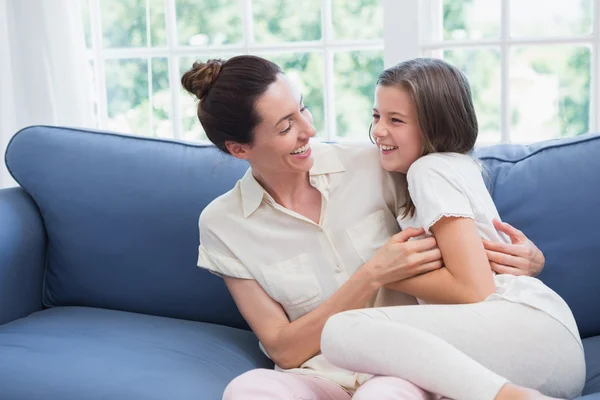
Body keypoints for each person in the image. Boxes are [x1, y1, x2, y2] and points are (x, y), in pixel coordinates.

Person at [181, 55, 549, 400]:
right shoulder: (223, 224)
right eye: (286, 126)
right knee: (248, 390)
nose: (309, 129)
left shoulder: (376, 165)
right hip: (316, 375)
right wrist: (371, 276)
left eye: (303, 108)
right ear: (239, 148)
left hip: (403, 371)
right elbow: (283, 348)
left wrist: (524, 262)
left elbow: (460, 225)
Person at [319, 58, 586, 400]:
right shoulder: (450, 168)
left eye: (395, 120)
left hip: (529, 330)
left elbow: (474, 290)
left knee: (342, 330)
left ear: (435, 127)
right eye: (376, 116)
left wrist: (381, 272)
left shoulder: (429, 171)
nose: (379, 131)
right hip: (537, 346)